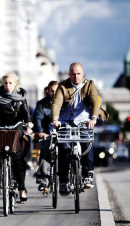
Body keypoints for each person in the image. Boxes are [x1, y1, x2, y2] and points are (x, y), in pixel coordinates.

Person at [51, 62, 108, 195]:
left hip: (84, 122)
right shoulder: (62, 86)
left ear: (83, 74)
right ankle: (64, 181)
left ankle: (88, 173)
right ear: (69, 74)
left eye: (78, 74)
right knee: (64, 148)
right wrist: (55, 119)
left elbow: (94, 101)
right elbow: (57, 103)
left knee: (87, 143)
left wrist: (93, 119)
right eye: (73, 74)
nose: (76, 77)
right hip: (66, 122)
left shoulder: (89, 85)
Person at [0, 73, 32, 203]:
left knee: (17, 158)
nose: (7, 85)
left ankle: (22, 189)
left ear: (15, 83)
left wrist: (28, 122)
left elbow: (25, 112)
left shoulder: (21, 96)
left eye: (10, 83)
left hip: (16, 127)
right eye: (5, 83)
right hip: (2, 126)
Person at [32, 81, 58, 192]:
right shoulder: (42, 104)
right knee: (45, 150)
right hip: (47, 133)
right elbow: (38, 119)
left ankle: (65, 177)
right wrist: (40, 132)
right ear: (48, 91)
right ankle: (44, 179)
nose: (54, 93)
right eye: (52, 91)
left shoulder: (66, 103)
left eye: (56, 91)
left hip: (62, 133)